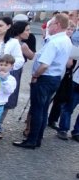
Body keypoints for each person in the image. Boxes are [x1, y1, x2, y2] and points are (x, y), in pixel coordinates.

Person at [14, 13, 73, 149]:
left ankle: (32, 140)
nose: (48, 27)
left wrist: (35, 75)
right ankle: (37, 138)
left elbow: (45, 64)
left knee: (37, 110)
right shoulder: (65, 39)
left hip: (45, 79)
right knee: (43, 109)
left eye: (50, 24)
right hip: (54, 78)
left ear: (57, 25)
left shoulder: (55, 42)